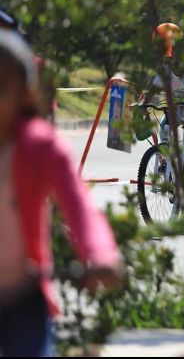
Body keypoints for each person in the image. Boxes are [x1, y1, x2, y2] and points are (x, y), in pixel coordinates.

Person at [0, 28, 122, 356]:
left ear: (24, 94)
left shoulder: (41, 146)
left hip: (25, 295)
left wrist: (99, 254)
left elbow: (79, 205)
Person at [143, 37, 184, 205]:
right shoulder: (166, 69)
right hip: (177, 110)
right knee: (164, 128)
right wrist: (143, 104)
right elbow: (153, 89)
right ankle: (165, 160)